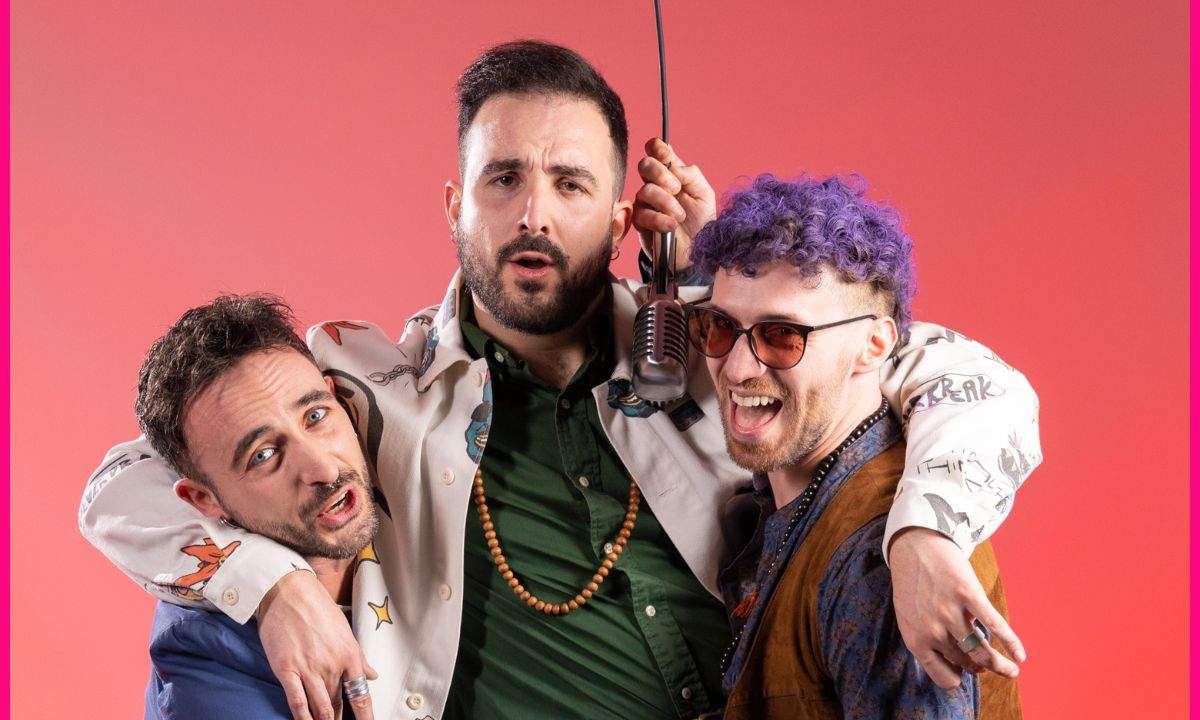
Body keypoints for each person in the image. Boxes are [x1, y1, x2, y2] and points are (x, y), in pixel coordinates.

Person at [80, 41, 1040, 719]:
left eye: (570, 184)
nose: (533, 213)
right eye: (502, 179)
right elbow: (121, 487)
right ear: (455, 207)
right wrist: (267, 586)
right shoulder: (363, 389)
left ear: (622, 216)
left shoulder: (721, 344)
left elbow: (972, 379)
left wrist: (925, 536)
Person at [691, 174, 1024, 718]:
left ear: (875, 344)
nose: (737, 368)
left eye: (783, 336)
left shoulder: (882, 571)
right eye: (722, 326)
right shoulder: (785, 498)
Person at [134, 295, 382, 719]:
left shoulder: (423, 505)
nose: (323, 469)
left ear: (337, 397)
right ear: (204, 499)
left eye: (316, 416)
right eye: (264, 455)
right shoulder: (207, 672)